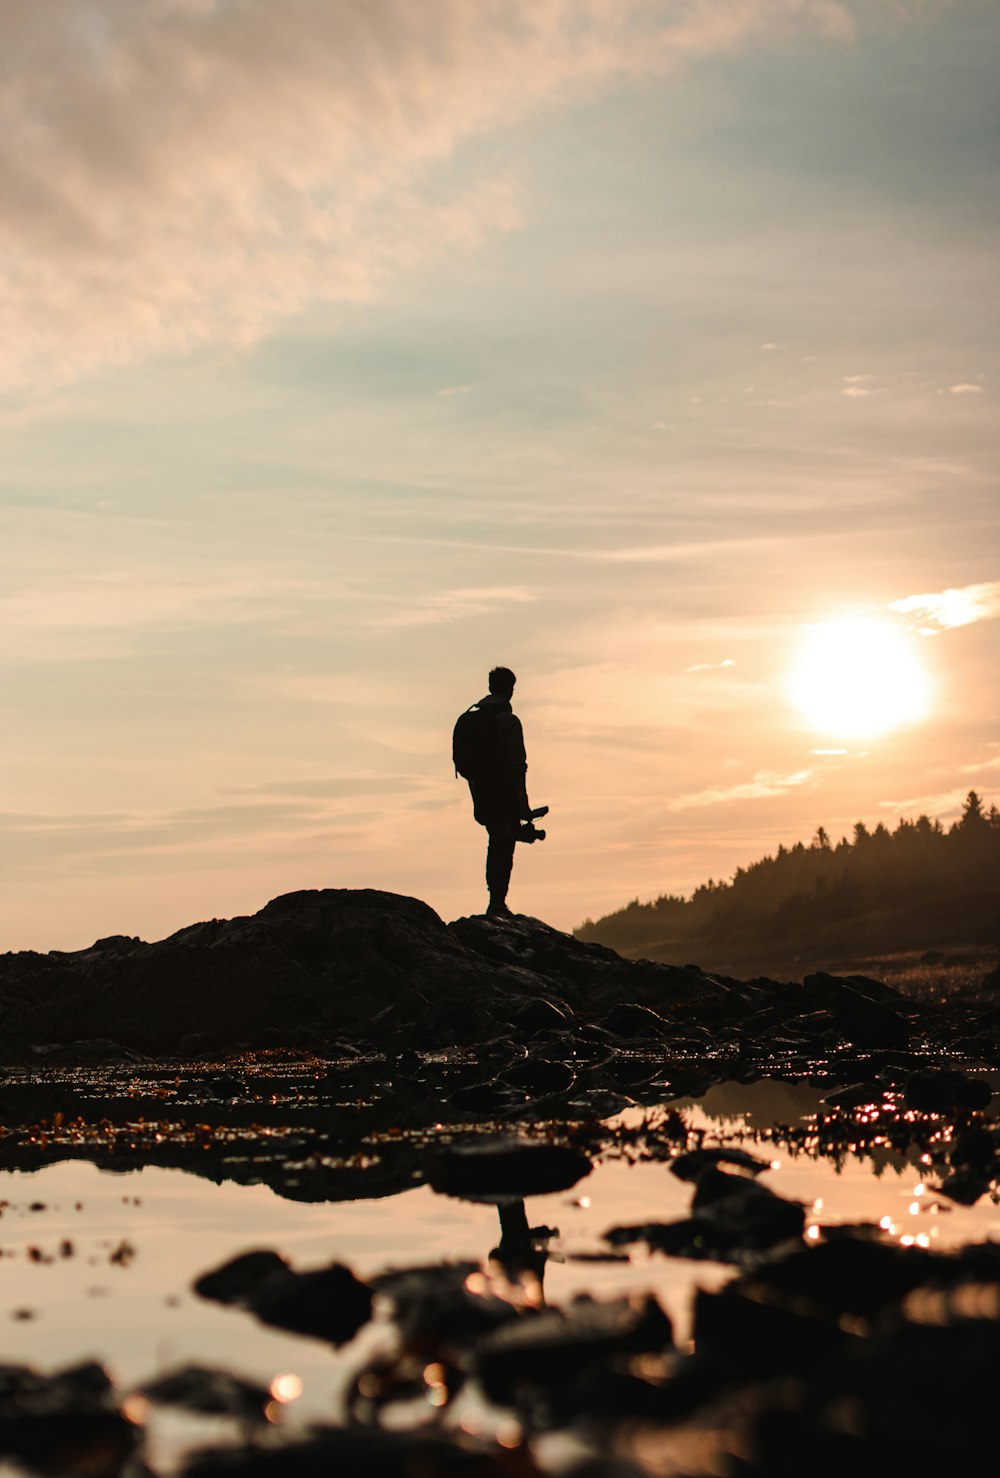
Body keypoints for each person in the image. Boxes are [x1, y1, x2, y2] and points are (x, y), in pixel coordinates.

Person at [465, 666, 532, 918]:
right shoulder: (508, 721)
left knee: (496, 840)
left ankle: (495, 899)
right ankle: (497, 902)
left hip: (481, 791)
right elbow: (518, 765)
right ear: (509, 689)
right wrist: (523, 803)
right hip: (504, 792)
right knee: (503, 845)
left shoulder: (476, 717)